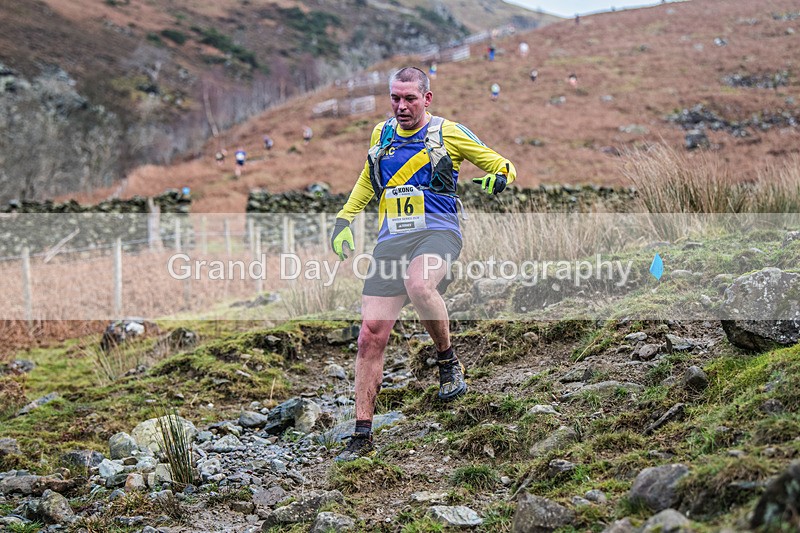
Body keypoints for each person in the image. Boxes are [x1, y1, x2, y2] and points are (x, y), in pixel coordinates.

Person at [329, 66, 516, 462]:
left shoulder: (448, 132)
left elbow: (502, 164)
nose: (401, 106)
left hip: (438, 230)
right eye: (395, 98)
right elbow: (367, 179)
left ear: (426, 99)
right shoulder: (381, 135)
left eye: (409, 98)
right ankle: (362, 435)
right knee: (370, 333)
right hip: (392, 238)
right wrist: (345, 218)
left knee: (419, 286)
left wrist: (499, 178)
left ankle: (447, 360)